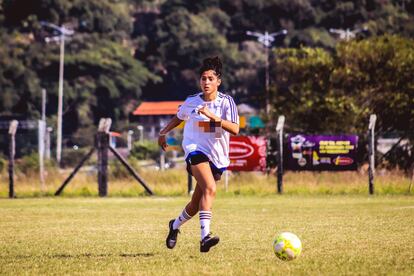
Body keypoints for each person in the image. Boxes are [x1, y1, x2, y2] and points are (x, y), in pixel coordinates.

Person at [158, 56, 239, 253]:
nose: (206, 82)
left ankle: (174, 226)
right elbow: (178, 118)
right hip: (195, 151)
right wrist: (163, 132)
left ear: (218, 81)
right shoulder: (191, 102)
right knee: (210, 188)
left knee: (196, 203)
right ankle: (205, 238)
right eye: (203, 78)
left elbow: (235, 129)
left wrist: (214, 118)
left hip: (217, 157)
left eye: (211, 78)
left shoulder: (227, 102)